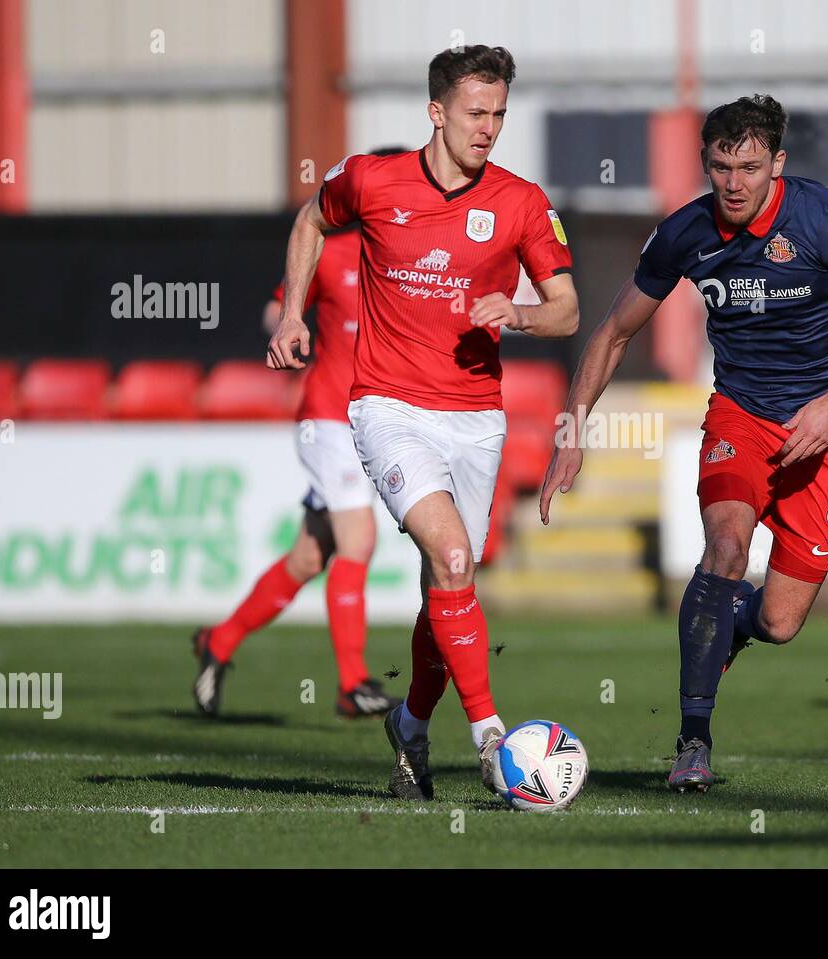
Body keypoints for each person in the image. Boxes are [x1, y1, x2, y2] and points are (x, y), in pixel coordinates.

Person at [540, 94, 828, 791]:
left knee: (779, 621)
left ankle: (730, 624)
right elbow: (613, 332)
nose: (735, 183)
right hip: (741, 417)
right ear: (706, 165)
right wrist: (572, 427)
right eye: (721, 167)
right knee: (724, 546)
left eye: (750, 166)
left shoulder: (823, 219)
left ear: (777, 162)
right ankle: (693, 740)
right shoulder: (685, 233)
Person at [268, 46, 579, 799]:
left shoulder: (522, 202)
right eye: (477, 113)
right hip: (388, 407)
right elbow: (311, 219)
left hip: (476, 418)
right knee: (453, 559)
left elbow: (566, 309)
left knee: (447, 587)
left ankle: (410, 723)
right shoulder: (372, 180)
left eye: (500, 113)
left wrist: (523, 313)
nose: (490, 128)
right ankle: (491, 738)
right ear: (436, 112)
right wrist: (294, 313)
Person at [191, 147, 407, 720]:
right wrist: (289, 326)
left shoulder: (417, 260)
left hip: (374, 426)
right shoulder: (331, 252)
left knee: (310, 558)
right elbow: (276, 308)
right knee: (359, 541)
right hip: (328, 417)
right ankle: (353, 682)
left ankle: (219, 641)